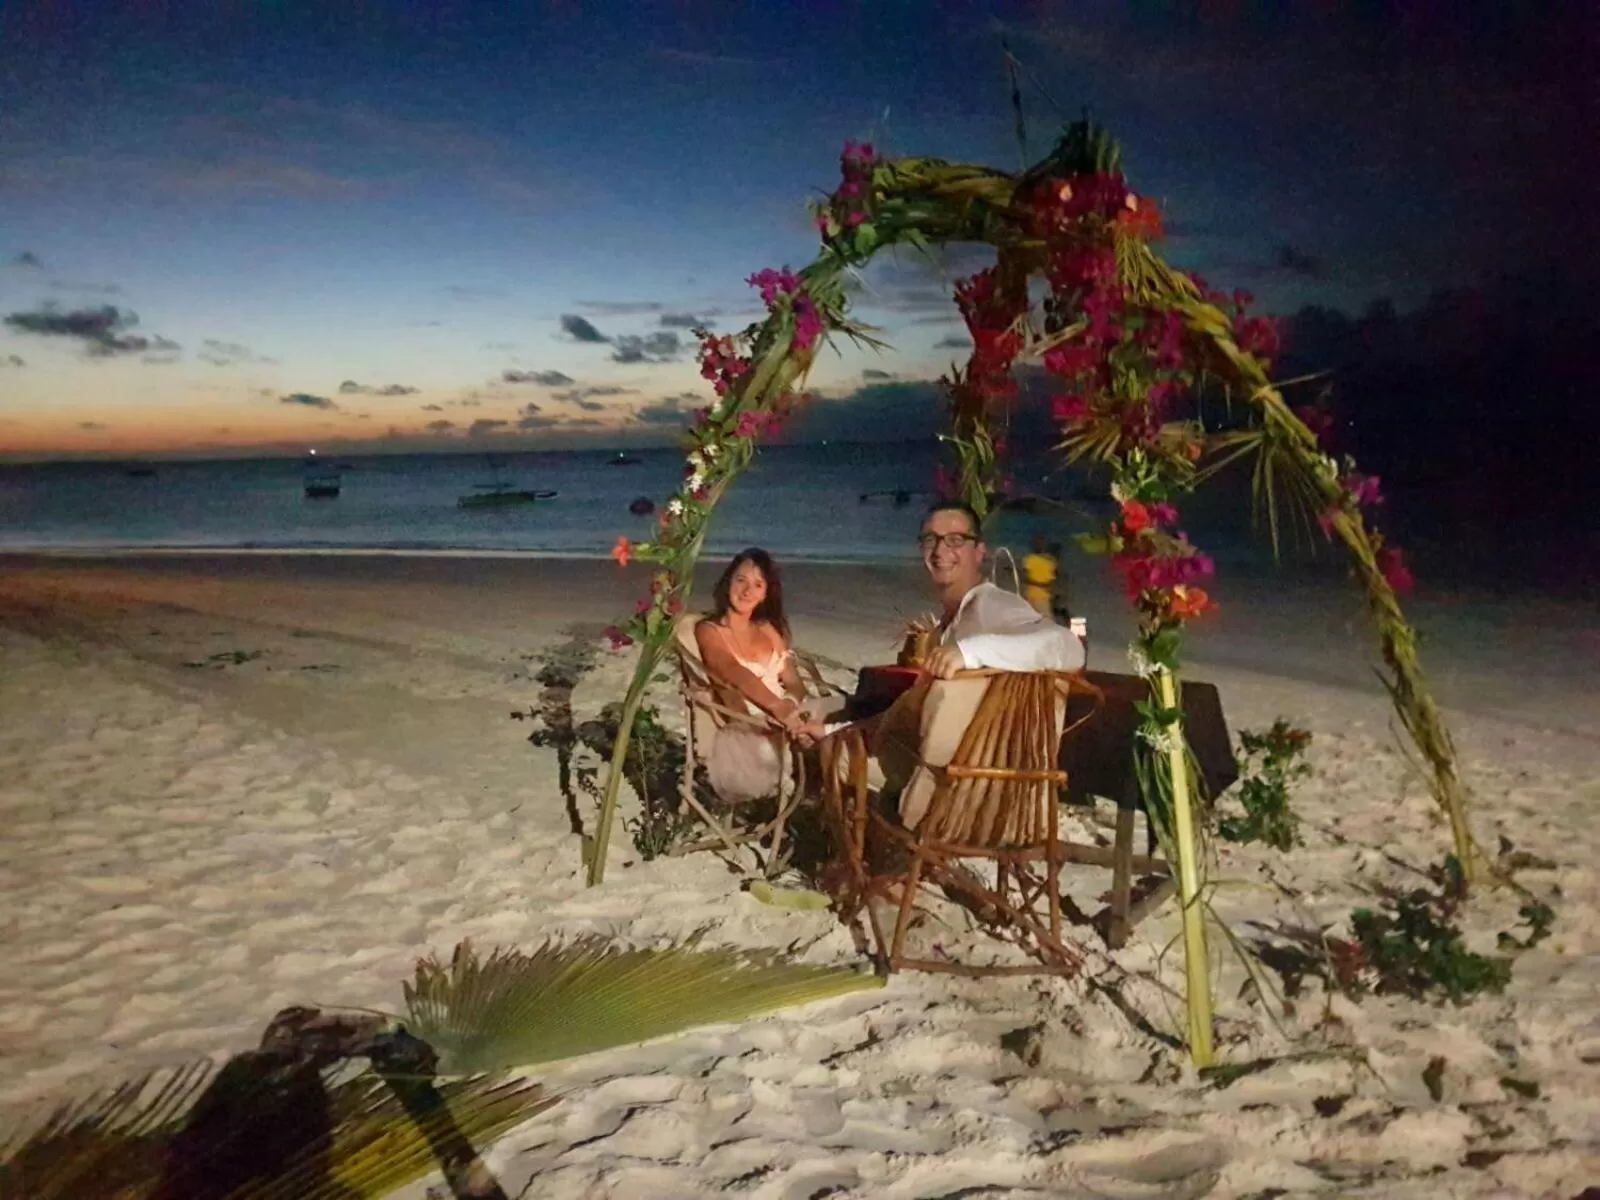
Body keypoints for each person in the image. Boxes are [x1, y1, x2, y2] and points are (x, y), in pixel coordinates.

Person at [865, 501, 1087, 819]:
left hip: (961, 793)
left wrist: (970, 651)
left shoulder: (990, 605)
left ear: (980, 552)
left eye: (955, 540)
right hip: (957, 779)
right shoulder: (956, 618)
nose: (940, 551)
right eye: (931, 540)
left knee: (838, 758)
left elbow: (1067, 645)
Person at [694, 548, 830, 804]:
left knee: (844, 716)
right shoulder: (709, 630)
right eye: (741, 580)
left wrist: (790, 704)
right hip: (750, 724)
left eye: (758, 584)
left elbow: (794, 682)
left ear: (766, 592)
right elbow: (733, 672)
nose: (747, 591)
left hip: (787, 712)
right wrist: (777, 709)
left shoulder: (767, 629)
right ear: (728, 582)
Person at [1021, 533, 1058, 618]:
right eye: (1037, 543)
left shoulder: (1050, 561)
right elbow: (1025, 578)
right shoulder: (1029, 559)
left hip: (1042, 598)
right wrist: (1041, 585)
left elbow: (1052, 582)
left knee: (1044, 622)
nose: (1038, 545)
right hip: (1032, 597)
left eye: (1040, 543)